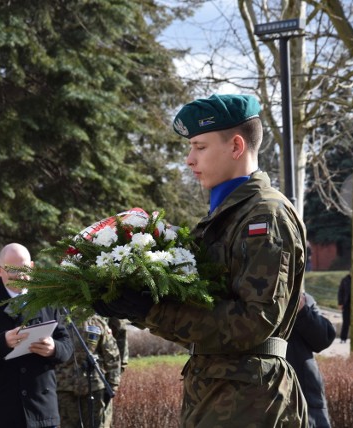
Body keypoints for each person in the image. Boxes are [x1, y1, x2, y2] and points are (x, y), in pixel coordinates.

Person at [94, 94, 309, 427]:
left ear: (236, 146)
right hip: (222, 394)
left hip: (251, 405)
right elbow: (203, 314)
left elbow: (253, 323)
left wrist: (151, 310)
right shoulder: (227, 215)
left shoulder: (264, 217)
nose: (189, 159)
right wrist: (136, 301)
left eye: (200, 147)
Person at [0, 243, 74, 428]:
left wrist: (53, 348)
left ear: (32, 267)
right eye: (11, 270)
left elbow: (68, 345)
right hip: (3, 409)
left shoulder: (47, 300)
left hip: (42, 409)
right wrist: (3, 341)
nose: (19, 275)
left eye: (23, 268)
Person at [56, 314, 121, 428]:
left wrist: (112, 385)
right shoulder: (57, 320)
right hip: (64, 389)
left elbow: (111, 355)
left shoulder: (95, 322)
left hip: (93, 388)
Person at [287, 292, 336, 428]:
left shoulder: (301, 297)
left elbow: (323, 339)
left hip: (307, 401)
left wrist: (302, 310)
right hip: (261, 399)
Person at [337, 273, 351, 343]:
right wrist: (340, 303)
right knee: (346, 322)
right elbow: (340, 292)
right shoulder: (345, 280)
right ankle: (343, 338)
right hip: (346, 304)